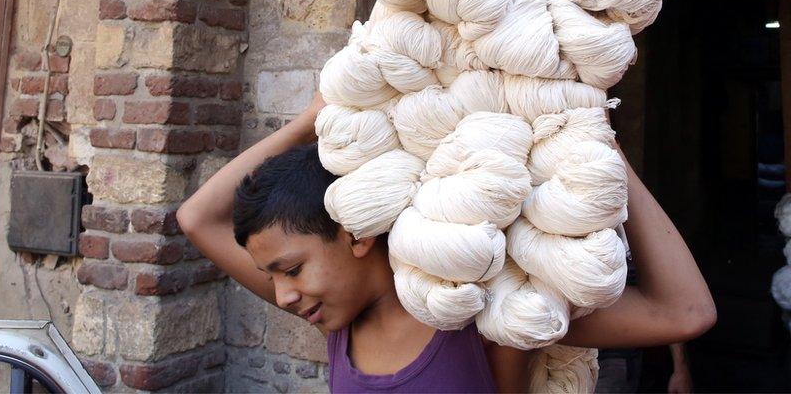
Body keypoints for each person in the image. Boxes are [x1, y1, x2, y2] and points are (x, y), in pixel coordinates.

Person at [177, 93, 717, 392]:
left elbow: (685, 312)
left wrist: (609, 157)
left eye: (290, 269)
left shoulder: (487, 310)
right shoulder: (331, 311)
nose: (282, 295)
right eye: (274, 275)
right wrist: (316, 114)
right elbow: (197, 217)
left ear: (357, 235)